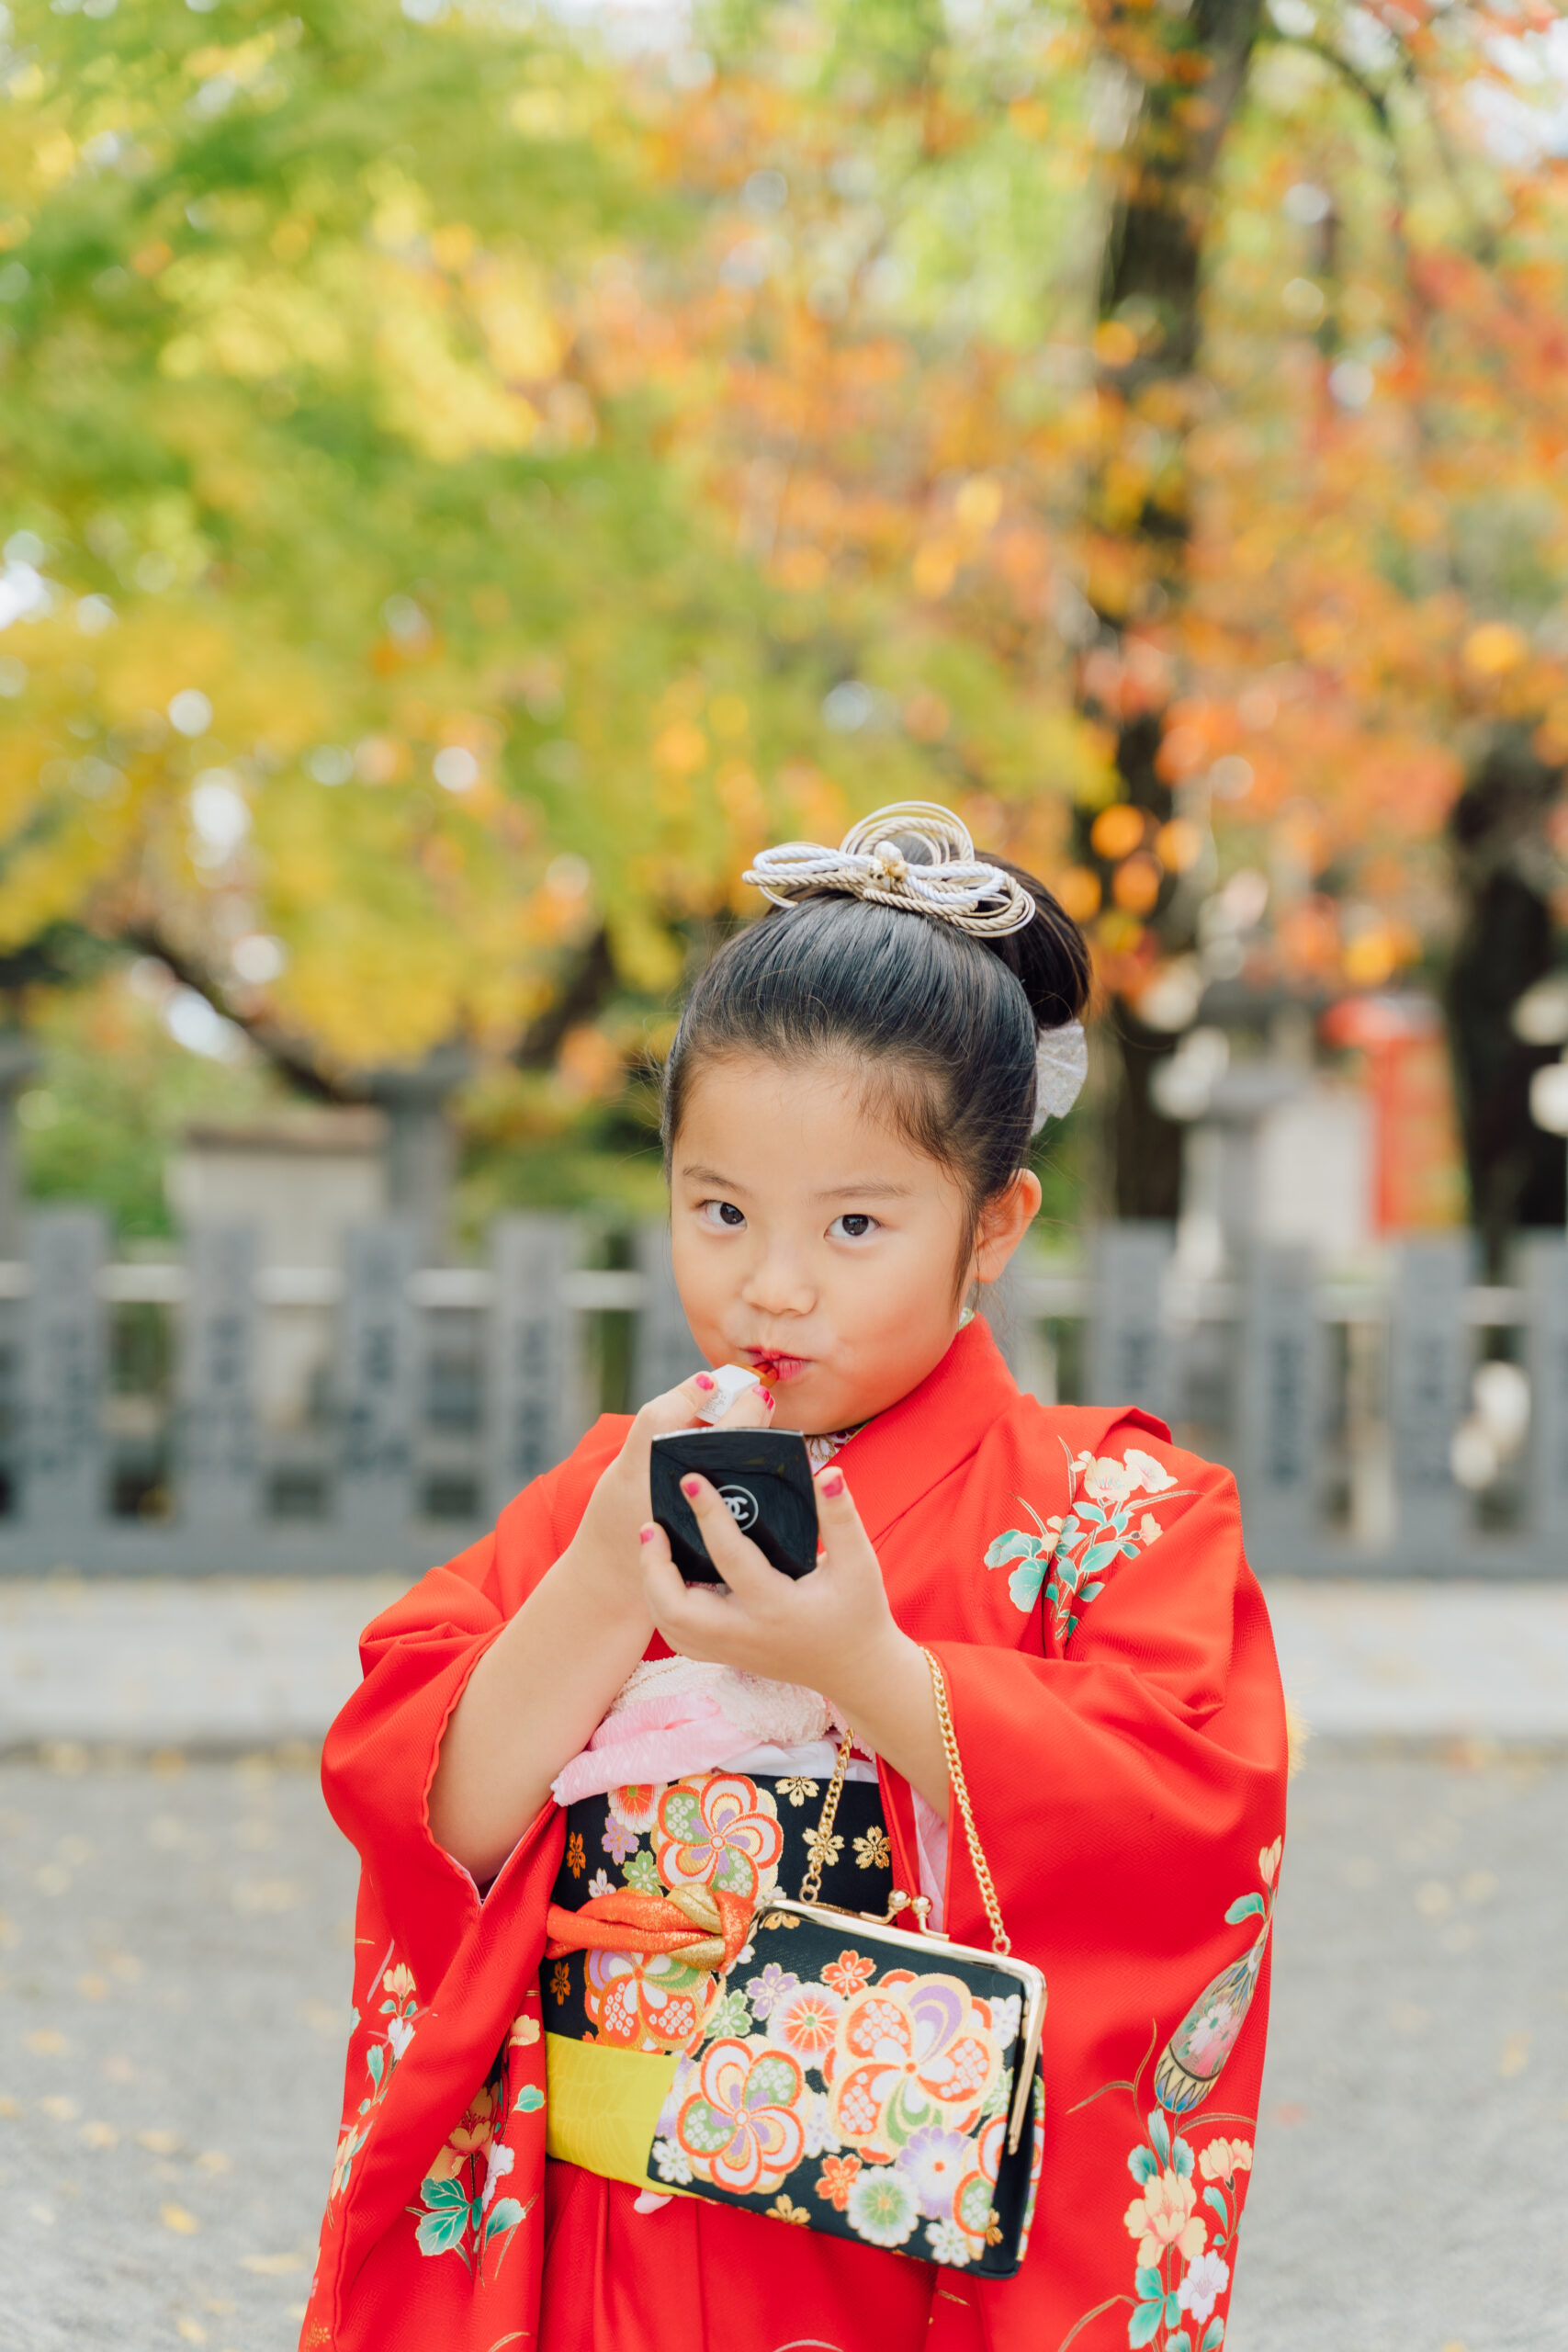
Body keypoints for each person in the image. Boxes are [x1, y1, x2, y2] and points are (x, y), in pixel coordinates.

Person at [298, 801, 1288, 2352]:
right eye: (720, 1210)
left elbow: (1189, 1810)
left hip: (890, 2255)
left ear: (994, 1224)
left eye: (854, 1223)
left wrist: (868, 1671)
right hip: (605, 2242)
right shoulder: (614, 1482)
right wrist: (603, 1579)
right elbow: (428, 1807)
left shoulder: (1119, 1510)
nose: (772, 1281)